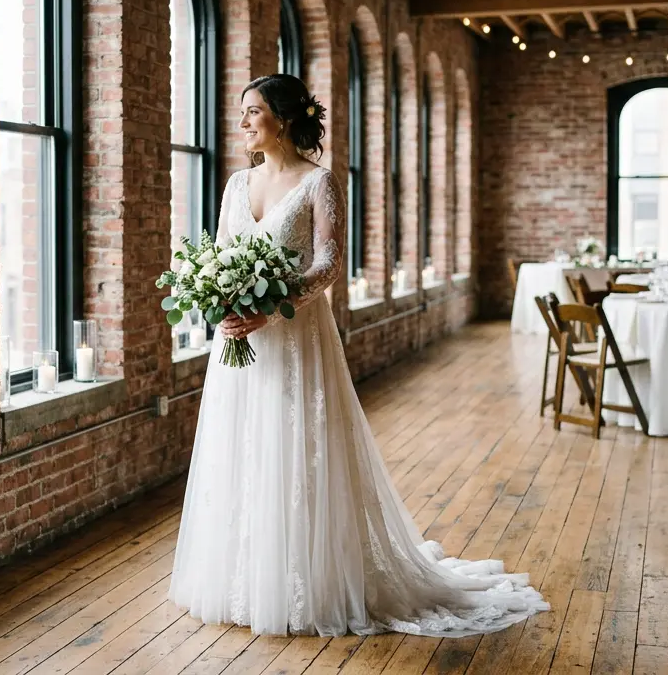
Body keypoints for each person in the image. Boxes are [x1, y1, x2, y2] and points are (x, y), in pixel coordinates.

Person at [167, 74, 548, 637]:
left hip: (295, 335)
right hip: (238, 339)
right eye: (243, 112)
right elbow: (222, 255)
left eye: (254, 111)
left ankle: (308, 581)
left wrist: (269, 309)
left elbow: (327, 266)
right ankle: (241, 577)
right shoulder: (234, 185)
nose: (244, 121)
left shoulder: (320, 183)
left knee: (295, 445)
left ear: (286, 118)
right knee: (242, 445)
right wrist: (219, 298)